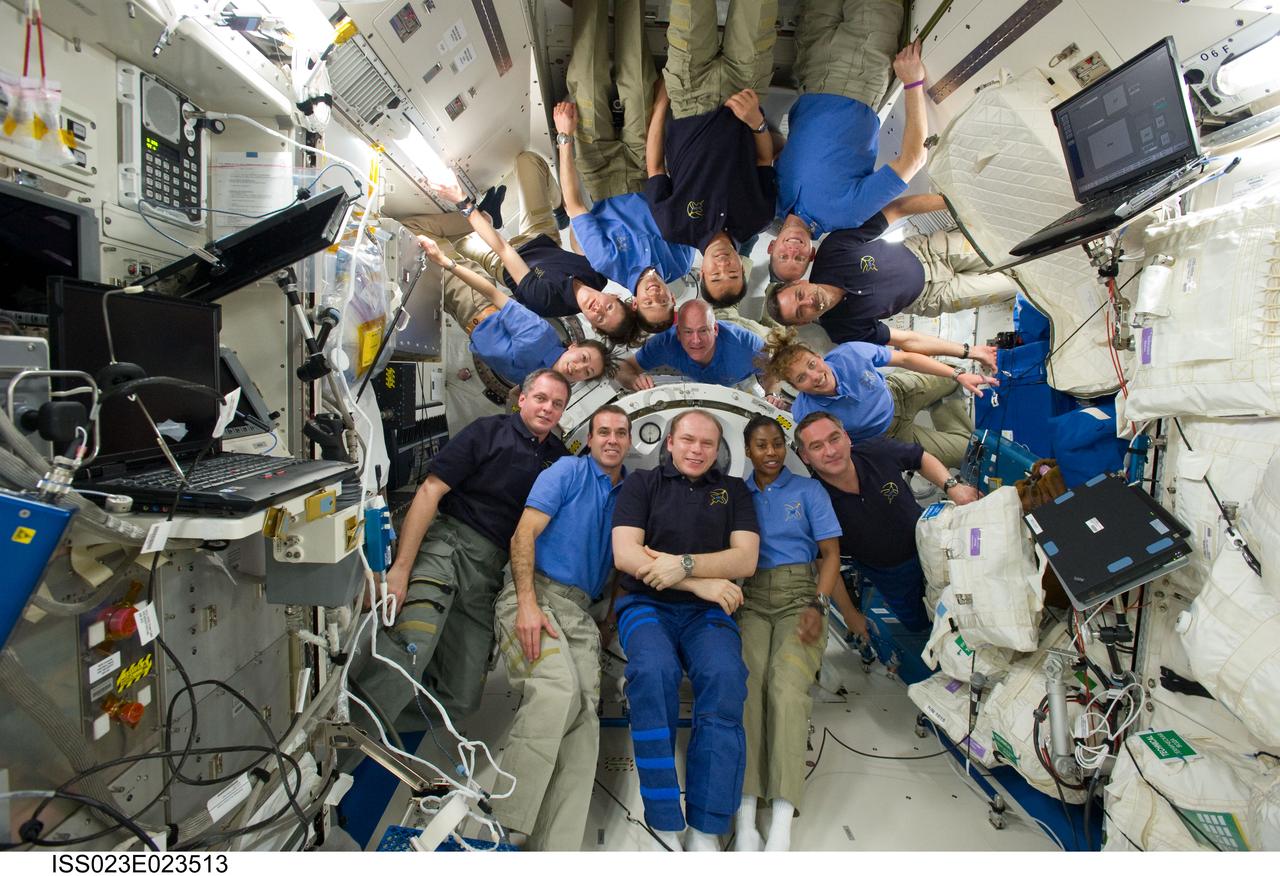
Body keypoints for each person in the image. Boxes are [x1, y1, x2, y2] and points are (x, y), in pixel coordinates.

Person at [352, 370, 571, 731]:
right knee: (413, 646)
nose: (547, 408)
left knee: (460, 698)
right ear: (522, 399)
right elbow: (429, 492)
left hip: (488, 573)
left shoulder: (559, 460)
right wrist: (401, 570)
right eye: (541, 398)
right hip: (448, 548)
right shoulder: (488, 433)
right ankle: (351, 740)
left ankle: (378, 721)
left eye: (557, 404)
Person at [611, 409, 760, 851]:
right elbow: (625, 553)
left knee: (726, 677)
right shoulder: (642, 484)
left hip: (707, 614)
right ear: (670, 443)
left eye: (707, 444)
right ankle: (662, 816)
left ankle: (707, 823)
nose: (697, 450)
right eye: (688, 440)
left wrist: (683, 563)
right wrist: (699, 580)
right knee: (653, 674)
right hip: (646, 603)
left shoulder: (733, 491)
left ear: (719, 450)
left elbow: (745, 559)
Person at [490, 405, 633, 851]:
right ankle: (506, 826)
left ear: (630, 441)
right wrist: (527, 605)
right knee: (556, 689)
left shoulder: (630, 496)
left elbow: (622, 567)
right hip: (533, 595)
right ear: (589, 439)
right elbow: (523, 536)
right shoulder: (567, 472)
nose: (612, 439)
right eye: (603, 431)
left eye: (621, 433)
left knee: (586, 716)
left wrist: (607, 622)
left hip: (581, 614)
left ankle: (556, 848)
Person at [733, 416, 845, 852]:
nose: (772, 453)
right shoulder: (735, 494)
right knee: (747, 686)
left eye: (778, 444)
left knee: (787, 687)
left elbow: (830, 554)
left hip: (802, 595)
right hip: (752, 597)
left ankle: (781, 817)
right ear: (747, 450)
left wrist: (820, 604)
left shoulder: (808, 491)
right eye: (761, 445)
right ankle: (745, 816)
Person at [771, 1, 928, 283]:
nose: (793, 249)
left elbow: (788, 148)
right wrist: (913, 84)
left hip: (810, 70)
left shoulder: (774, 199)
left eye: (784, 255)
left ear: (772, 246)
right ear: (812, 254)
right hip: (860, 73)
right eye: (799, 257)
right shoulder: (849, 214)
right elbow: (913, 160)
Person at [645, 0, 779, 307]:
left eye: (716, 276)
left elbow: (654, 167)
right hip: (745, 92)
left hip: (689, 94)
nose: (723, 267)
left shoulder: (675, 226)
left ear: (702, 272)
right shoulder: (758, 217)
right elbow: (763, 160)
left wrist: (662, 103)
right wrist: (758, 123)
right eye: (732, 274)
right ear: (742, 271)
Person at [795, 411, 980, 631]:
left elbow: (919, 457)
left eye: (834, 438)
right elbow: (826, 560)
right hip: (891, 574)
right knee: (921, 625)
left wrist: (953, 487)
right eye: (817, 446)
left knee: (970, 602)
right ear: (805, 456)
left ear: (847, 437)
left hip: (930, 543)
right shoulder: (812, 502)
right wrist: (849, 614)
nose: (831, 451)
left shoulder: (877, 452)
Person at [426, 156, 641, 345]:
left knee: (460, 241)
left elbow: (503, 249)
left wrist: (462, 201)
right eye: (609, 308)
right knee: (529, 161)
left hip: (504, 261)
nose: (599, 310)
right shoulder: (599, 273)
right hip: (541, 237)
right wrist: (569, 206)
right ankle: (555, 209)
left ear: (594, 326)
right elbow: (579, 234)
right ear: (613, 296)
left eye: (601, 319)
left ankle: (488, 218)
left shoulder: (547, 300)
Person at [765, 194, 1019, 335]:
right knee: (1017, 282)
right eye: (801, 311)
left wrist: (958, 202)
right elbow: (903, 341)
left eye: (800, 295)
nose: (808, 301)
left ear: (800, 282)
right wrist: (966, 356)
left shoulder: (833, 251)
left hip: (932, 252)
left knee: (1009, 246)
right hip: (933, 297)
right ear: (804, 323)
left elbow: (897, 209)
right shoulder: (841, 329)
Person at [763, 329, 997, 469]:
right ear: (795, 388)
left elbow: (905, 360)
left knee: (953, 371)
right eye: (802, 378)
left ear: (818, 357)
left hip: (900, 391)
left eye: (813, 365)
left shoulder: (850, 353)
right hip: (891, 435)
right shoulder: (806, 413)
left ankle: (947, 396)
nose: (815, 376)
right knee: (971, 451)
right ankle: (957, 429)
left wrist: (958, 374)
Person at [555, 99, 690, 334]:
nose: (655, 295)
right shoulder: (681, 262)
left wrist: (565, 136)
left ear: (635, 304)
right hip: (646, 166)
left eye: (648, 303)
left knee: (590, 82)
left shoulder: (607, 261)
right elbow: (677, 198)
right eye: (663, 301)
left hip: (602, 174)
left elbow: (574, 205)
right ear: (673, 298)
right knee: (637, 81)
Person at [416, 236, 614, 387]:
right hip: (473, 299)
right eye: (584, 358)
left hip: (464, 317)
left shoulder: (537, 380)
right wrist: (446, 263)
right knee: (418, 249)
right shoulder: (541, 334)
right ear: (574, 346)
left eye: (587, 372)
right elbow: (493, 294)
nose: (578, 368)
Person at [616, 299, 766, 391]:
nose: (695, 340)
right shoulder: (666, 343)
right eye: (688, 332)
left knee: (777, 327)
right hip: (715, 324)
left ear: (714, 330)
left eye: (702, 331)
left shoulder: (749, 347)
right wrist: (633, 380)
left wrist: (771, 394)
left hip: (745, 333)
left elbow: (774, 370)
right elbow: (623, 367)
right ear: (679, 334)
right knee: (724, 305)